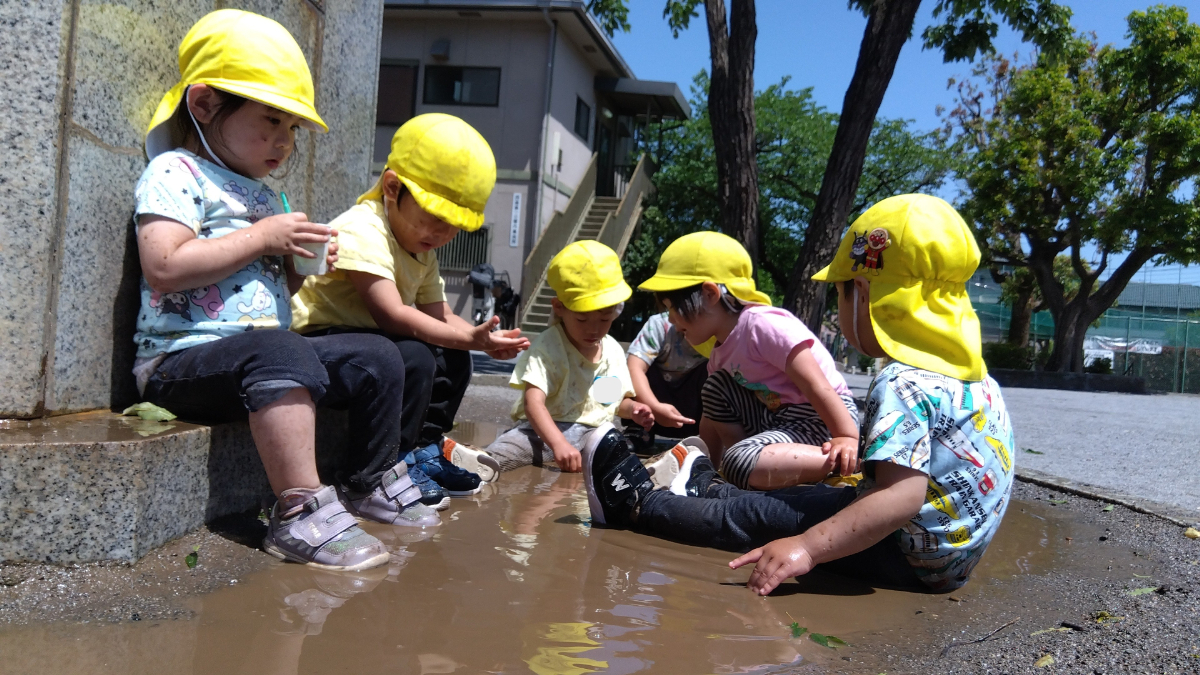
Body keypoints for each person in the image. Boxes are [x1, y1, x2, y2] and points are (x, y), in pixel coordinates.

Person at [581, 194, 1016, 594]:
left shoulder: (903, 381)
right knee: (789, 501)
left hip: (903, 554)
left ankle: (637, 504)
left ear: (863, 294)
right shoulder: (977, 380)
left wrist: (807, 547)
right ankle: (699, 485)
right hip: (945, 557)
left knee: (752, 519)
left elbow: (901, 500)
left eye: (840, 293)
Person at [133, 10, 439, 572]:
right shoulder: (176, 172)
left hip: (260, 353)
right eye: (270, 121)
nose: (283, 141)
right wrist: (263, 236)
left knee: (378, 354)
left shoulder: (267, 199)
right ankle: (299, 510)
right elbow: (164, 266)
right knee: (281, 348)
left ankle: (368, 480)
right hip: (180, 362)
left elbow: (271, 288)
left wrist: (301, 266)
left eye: (292, 129)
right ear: (202, 106)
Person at [290, 114, 529, 509]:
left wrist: (479, 339)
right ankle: (385, 468)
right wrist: (468, 336)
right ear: (392, 187)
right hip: (318, 345)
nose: (441, 234)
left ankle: (423, 449)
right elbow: (392, 315)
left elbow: (440, 317)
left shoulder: (421, 249)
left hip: (370, 347)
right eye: (435, 218)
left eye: (454, 227)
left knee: (453, 354)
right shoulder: (362, 229)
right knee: (416, 355)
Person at [636, 232, 860, 491]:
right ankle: (744, 469)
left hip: (823, 418)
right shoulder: (719, 351)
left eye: (672, 307)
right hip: (778, 418)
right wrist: (703, 463)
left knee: (738, 461)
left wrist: (845, 436)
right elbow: (711, 416)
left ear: (709, 294)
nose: (671, 319)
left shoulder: (763, 326)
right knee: (714, 388)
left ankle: (841, 465)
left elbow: (816, 385)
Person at [454, 241, 654, 476]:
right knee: (509, 449)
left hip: (593, 432)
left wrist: (633, 410)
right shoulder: (548, 346)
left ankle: (654, 472)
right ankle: (469, 465)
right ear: (559, 307)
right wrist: (558, 443)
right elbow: (533, 403)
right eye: (582, 319)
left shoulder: (613, 351)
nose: (594, 329)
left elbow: (609, 400)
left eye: (604, 319)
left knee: (618, 453)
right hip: (542, 431)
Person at [625, 311, 709, 443]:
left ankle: (711, 435)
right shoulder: (659, 324)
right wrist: (654, 407)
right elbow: (634, 367)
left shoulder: (720, 329)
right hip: (650, 407)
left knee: (715, 372)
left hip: (696, 413)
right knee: (637, 361)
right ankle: (639, 429)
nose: (671, 318)